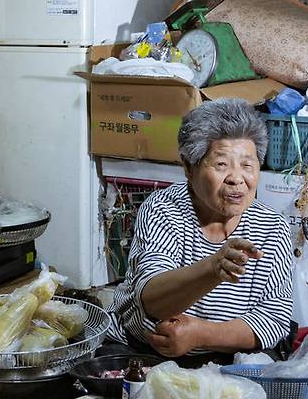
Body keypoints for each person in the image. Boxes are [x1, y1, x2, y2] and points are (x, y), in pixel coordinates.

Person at [108, 98, 294, 360]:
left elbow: (275, 320)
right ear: (188, 167)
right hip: (144, 353)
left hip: (228, 362)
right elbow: (152, 301)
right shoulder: (163, 209)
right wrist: (212, 268)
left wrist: (201, 334)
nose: (237, 178)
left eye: (247, 165)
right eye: (221, 164)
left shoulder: (272, 227)